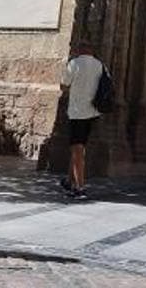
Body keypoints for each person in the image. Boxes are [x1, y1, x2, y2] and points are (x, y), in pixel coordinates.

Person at [59, 42, 103, 199]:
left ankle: (80, 187)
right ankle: (69, 180)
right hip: (91, 112)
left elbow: (63, 85)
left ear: (79, 50)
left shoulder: (74, 63)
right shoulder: (100, 65)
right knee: (79, 147)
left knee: (77, 149)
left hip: (77, 112)